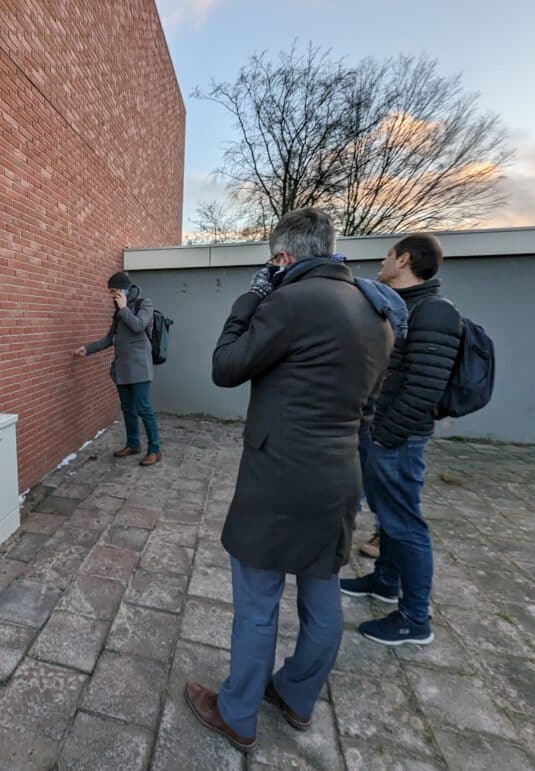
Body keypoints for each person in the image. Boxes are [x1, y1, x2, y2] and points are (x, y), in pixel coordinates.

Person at [183, 208, 394, 751]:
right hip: (339, 475)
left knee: (258, 601)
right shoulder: (376, 311)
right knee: (321, 594)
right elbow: (367, 409)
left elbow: (226, 366)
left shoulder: (289, 301)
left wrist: (251, 298)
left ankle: (237, 714)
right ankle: (297, 696)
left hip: (278, 478)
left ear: (282, 256)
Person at [340, 233, 461, 646]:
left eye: (388, 255)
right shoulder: (399, 306)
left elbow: (425, 388)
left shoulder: (434, 312)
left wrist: (384, 435)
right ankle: (385, 583)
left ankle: (414, 618)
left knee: (405, 524)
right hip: (384, 433)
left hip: (399, 439)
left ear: (405, 259)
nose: (382, 262)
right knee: (388, 517)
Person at [74, 271, 161, 467]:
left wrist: (123, 308)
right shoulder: (119, 312)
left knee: (144, 409)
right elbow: (108, 339)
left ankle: (155, 449)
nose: (112, 295)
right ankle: (133, 444)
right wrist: (87, 348)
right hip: (122, 370)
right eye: (111, 292)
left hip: (140, 369)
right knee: (128, 409)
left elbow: (139, 326)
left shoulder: (144, 304)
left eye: (114, 291)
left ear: (124, 289)